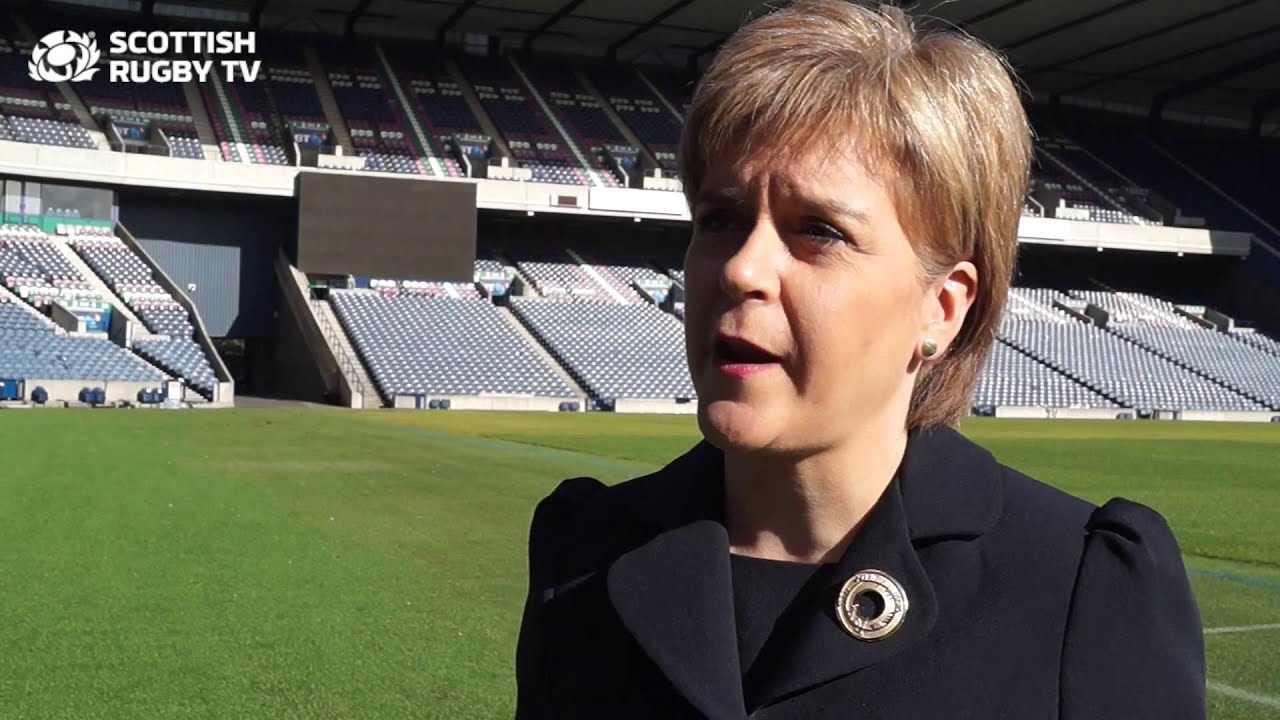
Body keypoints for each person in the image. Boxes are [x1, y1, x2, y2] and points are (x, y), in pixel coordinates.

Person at [514, 2, 1206, 718]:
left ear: (942, 306)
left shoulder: (1081, 587)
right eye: (720, 219)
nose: (742, 268)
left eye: (818, 231)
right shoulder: (585, 554)